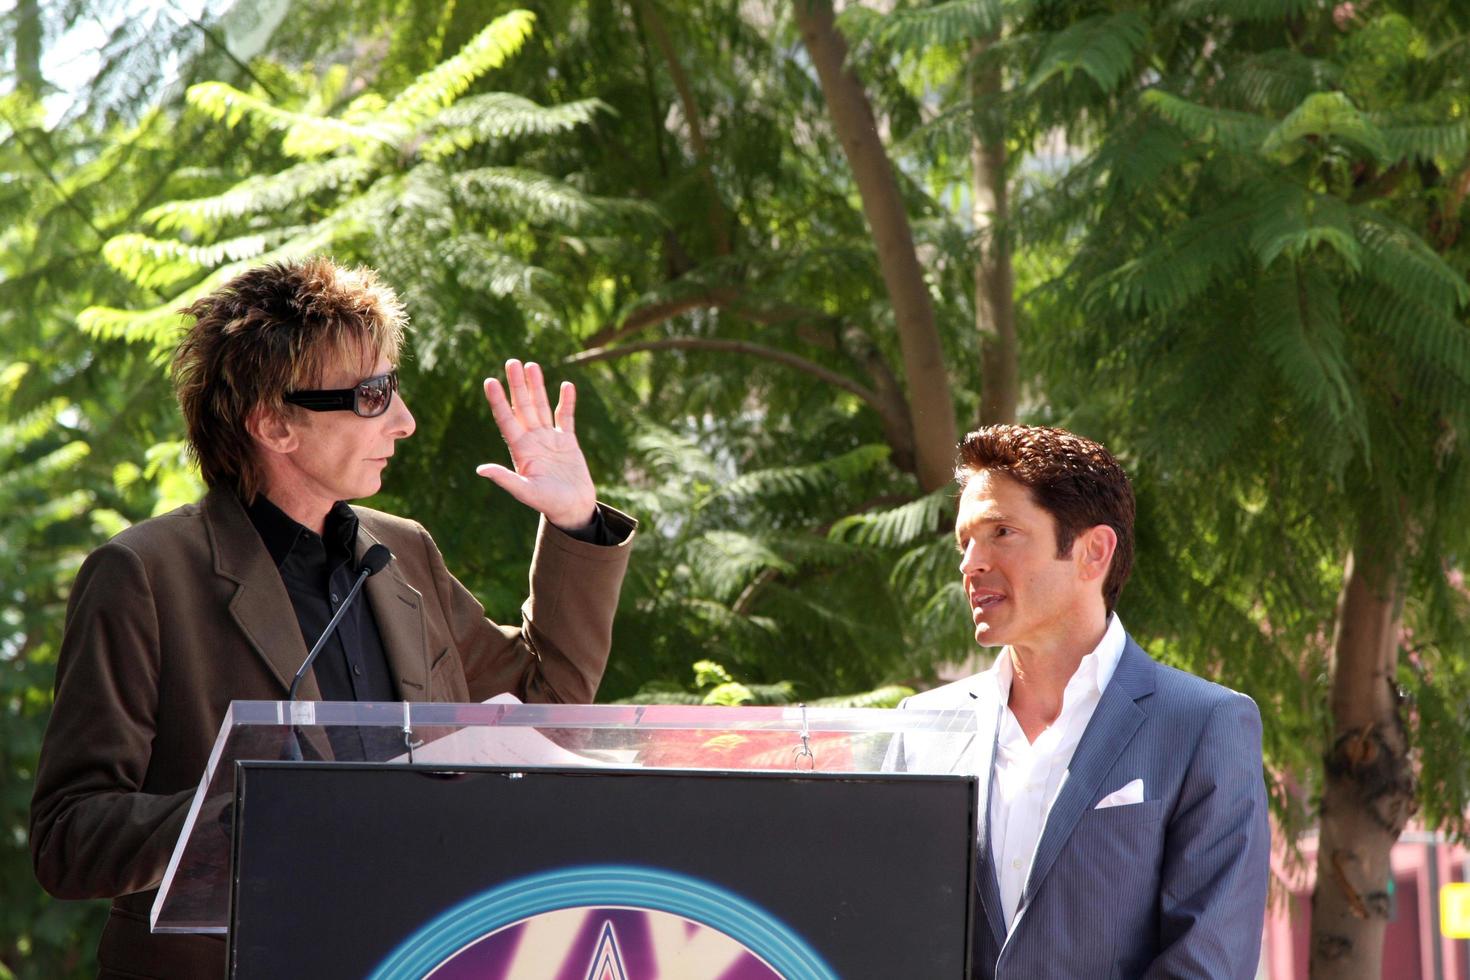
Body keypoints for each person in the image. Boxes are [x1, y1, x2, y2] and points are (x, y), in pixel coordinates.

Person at [29, 257, 636, 978]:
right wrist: (249, 811)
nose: (404, 421)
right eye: (373, 395)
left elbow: (549, 704)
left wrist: (573, 521)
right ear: (275, 424)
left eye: (393, 387)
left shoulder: (403, 552)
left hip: (418, 955)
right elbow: (69, 840)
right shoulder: (143, 576)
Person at [897, 424, 1269, 979]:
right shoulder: (922, 728)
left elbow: (1204, 964)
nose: (970, 564)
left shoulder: (1204, 725)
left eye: (1001, 532)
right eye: (965, 541)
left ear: (1093, 552)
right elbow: (893, 934)